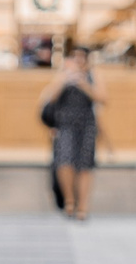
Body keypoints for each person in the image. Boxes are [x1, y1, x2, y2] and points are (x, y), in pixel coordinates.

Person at [40, 51, 102, 220]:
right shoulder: (62, 75)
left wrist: (83, 83)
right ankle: (69, 201)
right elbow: (49, 98)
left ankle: (83, 205)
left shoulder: (92, 76)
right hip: (65, 125)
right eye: (75, 57)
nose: (78, 61)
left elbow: (103, 98)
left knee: (85, 165)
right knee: (64, 161)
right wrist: (64, 79)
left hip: (86, 125)